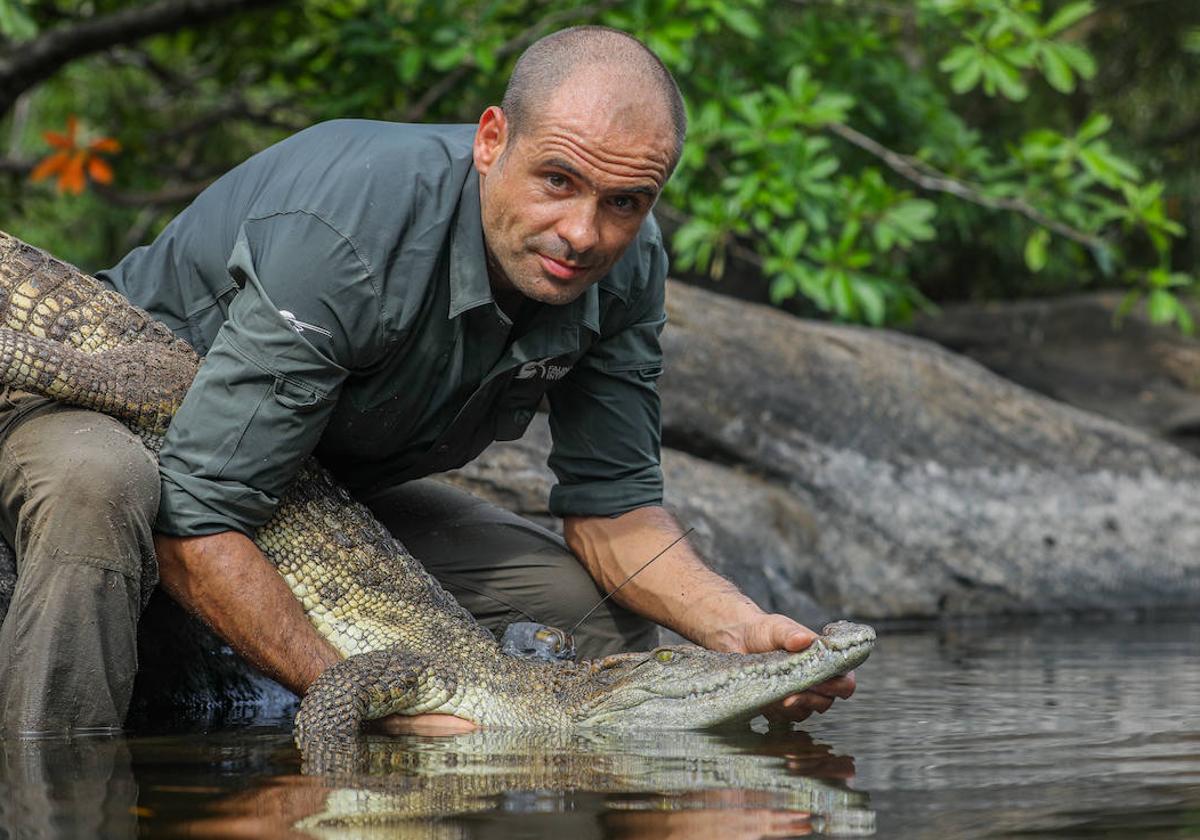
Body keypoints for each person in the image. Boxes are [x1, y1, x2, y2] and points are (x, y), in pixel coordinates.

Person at [0, 26, 855, 734]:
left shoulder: (624, 268)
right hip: (118, 411)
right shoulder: (351, 228)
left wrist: (740, 631)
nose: (583, 233)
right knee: (100, 484)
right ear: (491, 141)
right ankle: (51, 778)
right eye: (558, 180)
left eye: (625, 202)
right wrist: (383, 706)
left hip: (320, 485)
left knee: (579, 609)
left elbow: (614, 510)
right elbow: (198, 515)